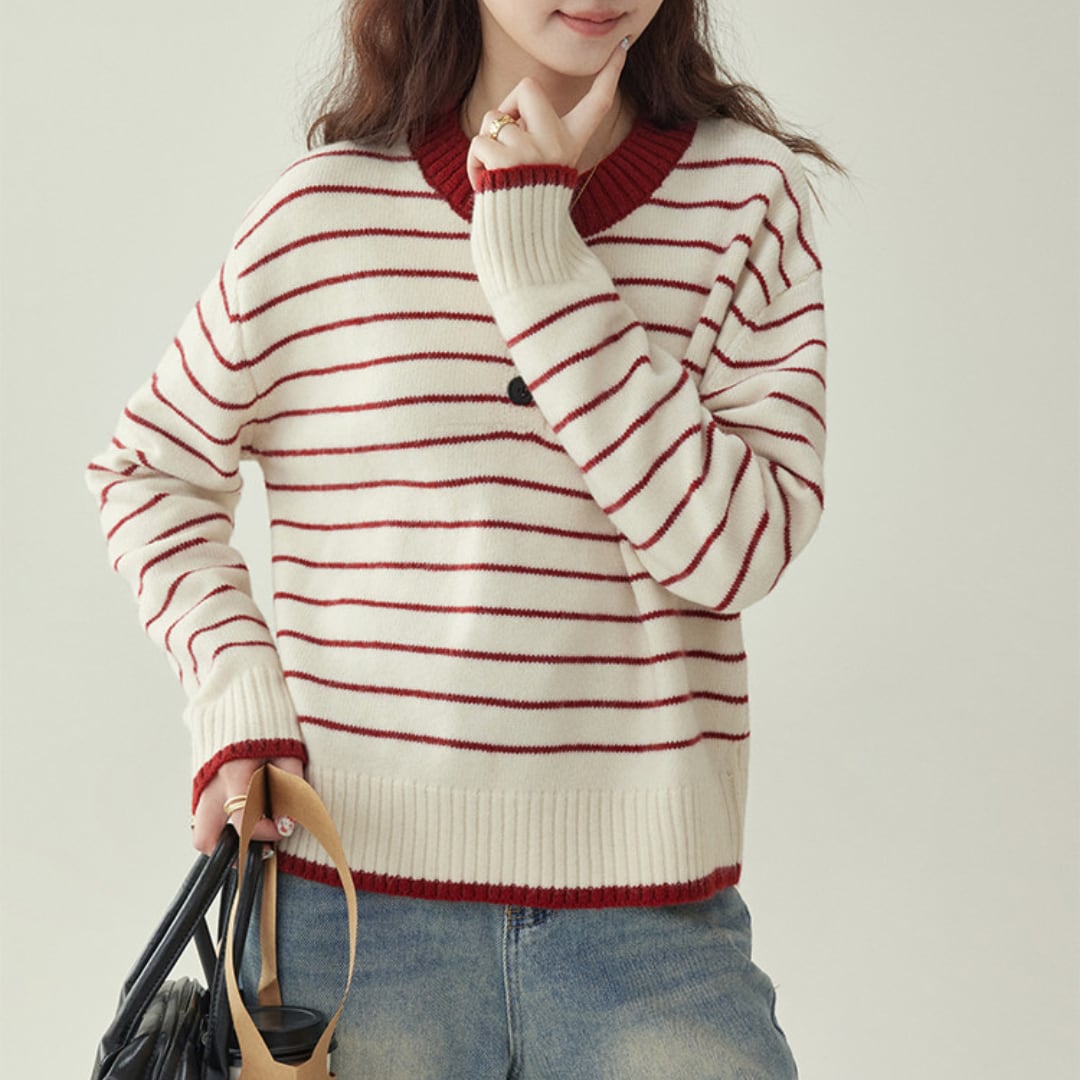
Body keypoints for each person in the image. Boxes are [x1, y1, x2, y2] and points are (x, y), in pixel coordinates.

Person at [87, 1, 839, 1075]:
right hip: (352, 918)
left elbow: (734, 551)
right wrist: (237, 693)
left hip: (653, 927)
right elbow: (149, 471)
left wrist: (536, 256)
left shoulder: (744, 198)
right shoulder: (323, 215)